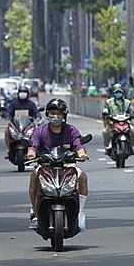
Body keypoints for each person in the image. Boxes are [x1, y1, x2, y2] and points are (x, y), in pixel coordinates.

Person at [26, 98, 89, 229]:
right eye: (52, 113)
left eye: (59, 113)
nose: (55, 116)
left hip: (67, 166)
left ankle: (79, 213)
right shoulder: (40, 131)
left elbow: (79, 145)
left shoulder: (71, 130)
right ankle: (35, 212)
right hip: (46, 166)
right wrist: (31, 154)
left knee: (82, 176)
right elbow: (33, 146)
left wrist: (82, 154)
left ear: (64, 115)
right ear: (47, 114)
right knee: (33, 177)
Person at [102, 83, 134, 155]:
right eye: (116, 92)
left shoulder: (127, 102)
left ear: (122, 92)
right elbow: (105, 109)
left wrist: (132, 113)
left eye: (119, 92)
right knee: (105, 132)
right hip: (112, 123)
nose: (118, 94)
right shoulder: (109, 102)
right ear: (113, 93)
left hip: (125, 122)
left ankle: (130, 146)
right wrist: (105, 114)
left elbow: (131, 110)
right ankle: (107, 147)